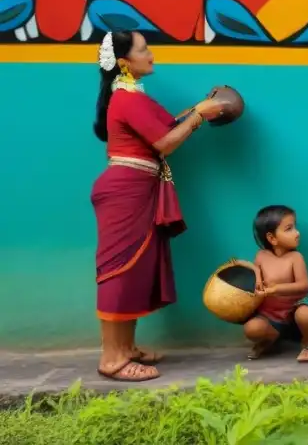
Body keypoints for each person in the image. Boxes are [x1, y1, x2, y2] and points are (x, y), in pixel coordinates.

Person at [92, 30, 224, 382]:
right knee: (118, 270)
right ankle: (112, 359)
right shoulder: (127, 98)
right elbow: (165, 142)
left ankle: (126, 347)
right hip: (126, 192)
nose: (151, 54)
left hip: (137, 189)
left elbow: (166, 129)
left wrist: (198, 111)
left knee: (132, 268)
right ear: (124, 62)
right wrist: (199, 114)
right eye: (143, 49)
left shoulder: (131, 96)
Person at [241, 205, 308, 363]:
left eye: (295, 227)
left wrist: (277, 289)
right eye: (289, 229)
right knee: (251, 329)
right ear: (272, 238)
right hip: (271, 313)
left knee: (305, 314)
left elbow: (304, 285)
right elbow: (257, 272)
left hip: (295, 308)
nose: (297, 233)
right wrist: (257, 281)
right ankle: (271, 339)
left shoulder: (295, 258)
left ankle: (307, 344)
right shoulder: (261, 256)